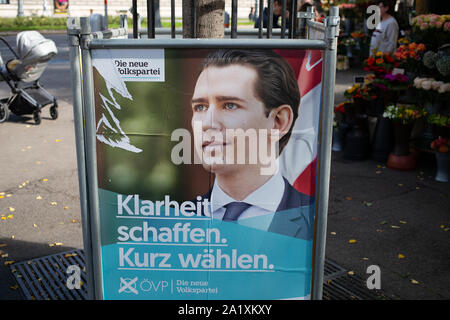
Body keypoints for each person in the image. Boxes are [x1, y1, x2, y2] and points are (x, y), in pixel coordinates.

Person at [190, 49, 314, 240]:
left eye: (230, 105)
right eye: (200, 107)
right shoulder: (175, 220)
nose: (207, 123)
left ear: (278, 122)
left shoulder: (312, 219)